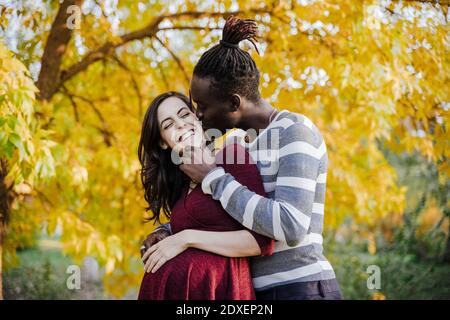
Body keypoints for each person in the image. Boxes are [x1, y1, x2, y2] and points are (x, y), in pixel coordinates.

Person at [142, 16, 342, 300]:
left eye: (202, 107)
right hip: (256, 292)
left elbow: (291, 226)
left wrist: (212, 178)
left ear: (234, 103)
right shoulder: (244, 147)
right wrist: (168, 231)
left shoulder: (294, 132)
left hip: (301, 288)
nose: (198, 115)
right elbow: (224, 215)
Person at [137, 91, 274, 300]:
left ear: (196, 117)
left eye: (184, 114)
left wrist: (185, 239)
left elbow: (261, 241)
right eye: (168, 125)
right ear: (163, 143)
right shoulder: (182, 183)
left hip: (221, 290)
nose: (181, 124)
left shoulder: (232, 156)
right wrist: (165, 232)